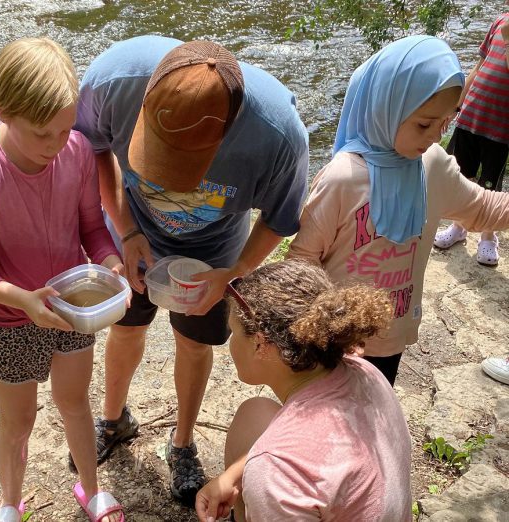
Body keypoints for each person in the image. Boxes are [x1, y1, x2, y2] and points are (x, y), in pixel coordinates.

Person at [75, 36, 309, 505]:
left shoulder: (279, 138)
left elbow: (280, 220)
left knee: (195, 343)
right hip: (133, 233)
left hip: (215, 253)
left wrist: (234, 272)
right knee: (125, 328)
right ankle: (114, 418)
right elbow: (93, 150)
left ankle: (181, 442)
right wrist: (124, 229)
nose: (163, 179)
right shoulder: (111, 82)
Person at [0, 37, 125, 522]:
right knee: (18, 420)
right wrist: (21, 299)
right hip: (8, 316)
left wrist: (111, 266)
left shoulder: (77, 151)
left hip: (71, 307)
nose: (55, 144)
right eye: (41, 133)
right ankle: (10, 503)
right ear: (3, 111)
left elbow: (92, 228)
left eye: (65, 128)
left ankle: (90, 489)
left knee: (75, 404)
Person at [287, 35, 509, 387]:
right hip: (336, 341)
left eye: (446, 122)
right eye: (424, 124)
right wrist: (325, 325)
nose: (436, 136)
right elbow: (302, 262)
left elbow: (482, 208)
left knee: (374, 411)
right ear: (385, 107)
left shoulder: (432, 165)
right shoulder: (343, 179)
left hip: (392, 333)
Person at [195, 260, 412, 521]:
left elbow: (283, 466)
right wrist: (235, 474)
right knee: (253, 414)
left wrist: (259, 473)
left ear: (260, 344)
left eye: (235, 332)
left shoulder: (277, 473)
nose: (230, 343)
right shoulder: (365, 372)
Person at [434, 8, 509, 266]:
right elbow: (479, 67)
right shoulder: (499, 21)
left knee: (490, 184)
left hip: (500, 129)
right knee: (461, 175)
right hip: (471, 116)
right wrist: (457, 105)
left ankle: (489, 236)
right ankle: (459, 225)